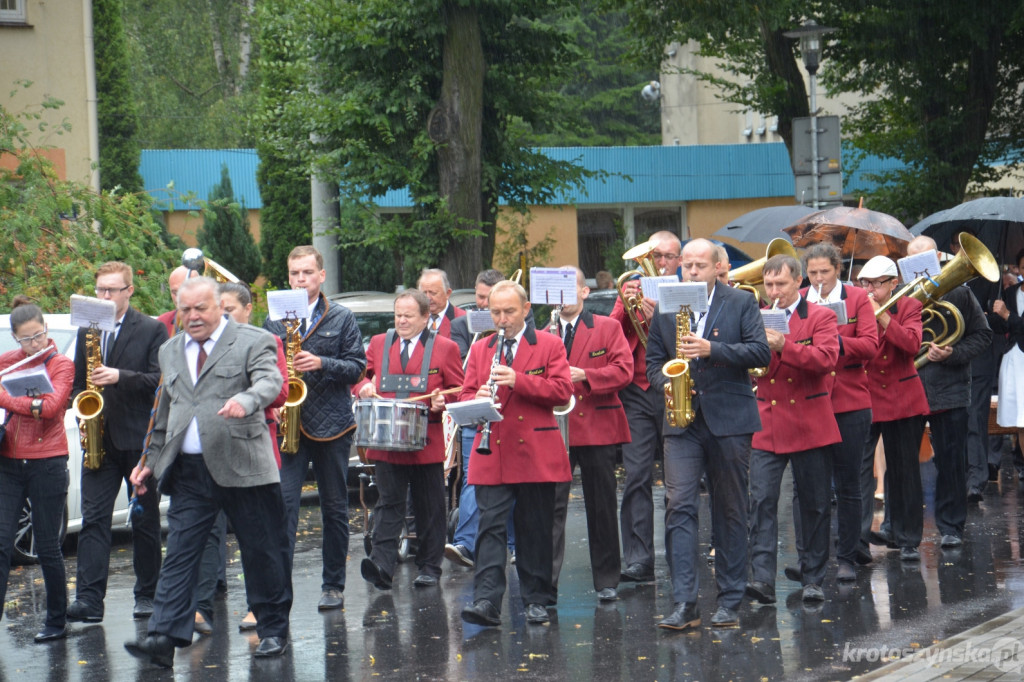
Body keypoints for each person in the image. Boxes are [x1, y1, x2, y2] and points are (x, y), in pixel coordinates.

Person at [123, 277, 292, 667]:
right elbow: (164, 414)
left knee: (262, 550)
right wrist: (148, 462)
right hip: (190, 471)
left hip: (244, 466)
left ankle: (272, 630)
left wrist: (247, 400)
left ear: (219, 306)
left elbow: (271, 381)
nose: (193, 316)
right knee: (180, 552)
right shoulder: (170, 350)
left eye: (201, 308)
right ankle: (164, 637)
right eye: (185, 310)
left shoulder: (253, 340)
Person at [645, 238, 770, 630]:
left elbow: (760, 353)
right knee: (678, 506)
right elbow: (652, 362)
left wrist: (710, 349)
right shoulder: (668, 305)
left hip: (729, 419)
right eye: (687, 265)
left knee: (730, 507)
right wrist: (666, 383)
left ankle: (730, 599)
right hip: (681, 421)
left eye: (700, 265)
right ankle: (685, 602)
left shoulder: (741, 302)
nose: (692, 271)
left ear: (719, 267)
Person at [459, 280, 573, 627]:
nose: (502, 319)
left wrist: (518, 380)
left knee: (534, 527)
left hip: (535, 449)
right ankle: (487, 601)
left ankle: (536, 599)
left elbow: (563, 391)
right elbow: (463, 397)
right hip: (491, 448)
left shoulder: (550, 344)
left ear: (526, 310)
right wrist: (476, 398)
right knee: (489, 527)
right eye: (495, 312)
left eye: (509, 311)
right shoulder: (481, 349)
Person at [263, 246, 366, 613]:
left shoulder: (341, 316)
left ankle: (333, 585)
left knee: (335, 509)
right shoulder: (274, 318)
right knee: (283, 509)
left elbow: (357, 367)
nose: (300, 279)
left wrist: (321, 362)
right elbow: (263, 365)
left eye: (307, 272)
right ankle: (278, 592)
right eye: (294, 273)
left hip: (333, 426)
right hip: (288, 424)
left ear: (322, 276)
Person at [68, 261, 168, 624]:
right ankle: (90, 601)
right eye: (100, 290)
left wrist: (119, 376)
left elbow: (161, 379)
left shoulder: (152, 329)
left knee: (143, 520)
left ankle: (147, 594)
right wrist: (84, 413)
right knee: (94, 520)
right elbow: (79, 382)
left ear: (129, 291)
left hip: (139, 440)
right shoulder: (87, 331)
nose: (105, 296)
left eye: (112, 290)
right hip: (100, 438)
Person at [193, 282, 289, 635]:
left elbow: (280, 389)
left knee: (257, 539)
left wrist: (244, 397)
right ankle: (200, 608)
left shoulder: (261, 340)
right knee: (205, 534)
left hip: (250, 451)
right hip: (208, 451)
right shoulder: (195, 345)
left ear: (248, 310)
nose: (222, 316)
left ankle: (259, 608)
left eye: (229, 309)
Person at [745, 255, 841, 605]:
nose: (773, 292)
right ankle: (763, 580)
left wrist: (785, 346)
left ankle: (813, 577)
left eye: (780, 285)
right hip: (767, 422)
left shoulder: (821, 316)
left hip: (809, 420)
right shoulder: (755, 317)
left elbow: (827, 360)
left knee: (814, 504)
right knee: (762, 502)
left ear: (798, 283)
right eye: (768, 285)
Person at [355, 289, 464, 589]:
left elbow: (459, 389)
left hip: (425, 441)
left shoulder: (445, 347)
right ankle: (381, 566)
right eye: (397, 315)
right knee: (388, 503)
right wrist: (363, 387)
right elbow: (361, 376)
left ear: (426, 317)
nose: (401, 321)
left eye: (408, 316)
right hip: (386, 440)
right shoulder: (379, 343)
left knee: (429, 505)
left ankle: (430, 566)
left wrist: (443, 401)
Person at [550, 267, 633, 602]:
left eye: (571, 290)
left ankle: (607, 581)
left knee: (602, 505)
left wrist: (586, 374)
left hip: (597, 425)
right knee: (551, 507)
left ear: (585, 293)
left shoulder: (607, 326)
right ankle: (547, 583)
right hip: (557, 430)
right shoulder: (545, 331)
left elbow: (624, 371)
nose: (564, 298)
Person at [906, 236, 991, 547]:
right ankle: (905, 531)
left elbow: (983, 336)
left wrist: (952, 353)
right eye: (912, 261)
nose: (920, 267)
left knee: (952, 462)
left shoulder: (960, 293)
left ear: (937, 258)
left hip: (950, 390)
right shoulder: (901, 298)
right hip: (908, 390)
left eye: (925, 259)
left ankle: (951, 527)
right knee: (903, 464)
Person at [0, 297, 75, 643]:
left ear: (46, 329)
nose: (34, 345)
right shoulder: (8, 363)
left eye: (38, 335)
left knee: (47, 545)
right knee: (1, 544)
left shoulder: (61, 364)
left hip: (48, 462)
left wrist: (6, 398)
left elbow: (51, 407)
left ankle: (56, 620)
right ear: (15, 339)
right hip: (9, 462)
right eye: (26, 340)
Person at [802, 243, 878, 579]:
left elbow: (871, 346)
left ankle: (847, 555)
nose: (818, 279)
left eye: (825, 272)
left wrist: (834, 341)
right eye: (813, 273)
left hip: (849, 399)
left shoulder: (857, 298)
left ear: (838, 270)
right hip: (811, 400)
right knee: (810, 486)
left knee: (848, 484)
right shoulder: (800, 298)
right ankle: (811, 560)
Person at [612, 230, 680, 584]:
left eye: (668, 256)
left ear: (679, 260)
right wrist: (628, 305)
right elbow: (612, 333)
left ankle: (679, 556)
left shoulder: (686, 289)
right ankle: (638, 559)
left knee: (677, 479)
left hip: (674, 387)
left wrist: (662, 315)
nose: (661, 263)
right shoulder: (632, 287)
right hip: (637, 391)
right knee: (636, 476)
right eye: (656, 257)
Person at [859, 256, 930, 562]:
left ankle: (909, 539)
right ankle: (858, 540)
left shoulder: (910, 307)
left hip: (904, 397)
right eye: (865, 283)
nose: (869, 289)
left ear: (892, 283)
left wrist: (883, 317)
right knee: (858, 471)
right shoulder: (857, 306)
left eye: (875, 283)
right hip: (866, 396)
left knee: (905, 471)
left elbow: (912, 345)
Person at [446, 268, 508, 568]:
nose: (481, 305)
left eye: (488, 300)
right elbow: (460, 369)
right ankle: (465, 544)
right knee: (473, 478)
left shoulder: (523, 322)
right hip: (477, 413)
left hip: (510, 415)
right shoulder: (462, 324)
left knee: (513, 480)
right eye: (479, 298)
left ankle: (511, 543)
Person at [995, 248, 1024, 469]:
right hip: (1012, 359)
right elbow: (1001, 327)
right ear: (1018, 269)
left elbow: (1013, 321)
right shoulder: (1010, 292)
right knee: (1019, 422)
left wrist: (1008, 315)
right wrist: (995, 313)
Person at [418, 268, 466, 338]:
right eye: (424, 293)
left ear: (447, 293)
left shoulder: (463, 319)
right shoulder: (416, 319)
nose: (428, 298)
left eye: (433, 293)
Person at [156, 265, 189, 336]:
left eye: (184, 291)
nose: (179, 298)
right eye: (175, 292)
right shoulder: (162, 322)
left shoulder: (209, 325)